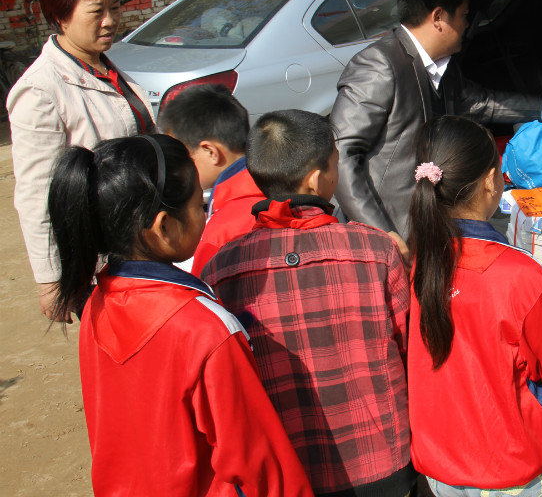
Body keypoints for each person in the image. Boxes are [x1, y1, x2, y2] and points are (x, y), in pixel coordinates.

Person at [46, 133, 312, 496]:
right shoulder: (205, 329)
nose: (203, 213)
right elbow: (260, 464)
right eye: (197, 205)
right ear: (164, 227)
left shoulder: (97, 303)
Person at [202, 110, 415, 497]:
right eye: (335, 162)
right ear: (317, 179)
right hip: (381, 460)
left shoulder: (221, 270)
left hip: (289, 469)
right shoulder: (376, 250)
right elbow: (409, 350)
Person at [330, 0, 542, 247]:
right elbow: (342, 153)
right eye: (463, 14)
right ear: (439, 17)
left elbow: (484, 103)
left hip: (428, 227)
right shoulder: (379, 65)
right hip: (387, 232)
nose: (466, 24)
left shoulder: (444, 69)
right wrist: (383, 233)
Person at [406, 115, 542, 497]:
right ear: (489, 181)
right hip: (508, 467)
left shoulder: (420, 261)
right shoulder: (517, 274)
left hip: (440, 465)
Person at [8, 0, 154, 322]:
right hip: (100, 260)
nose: (110, 21)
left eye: (115, 8)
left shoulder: (104, 66)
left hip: (140, 241)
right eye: (96, 11)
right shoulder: (41, 91)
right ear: (61, 16)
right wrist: (50, 279)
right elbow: (37, 194)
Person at [157, 84, 262, 275]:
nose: (175, 168)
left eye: (180, 156)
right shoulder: (269, 181)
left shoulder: (225, 227)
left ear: (211, 152)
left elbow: (203, 286)